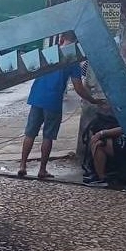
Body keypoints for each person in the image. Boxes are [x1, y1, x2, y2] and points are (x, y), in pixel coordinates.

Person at [18, 31, 105, 179]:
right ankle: (42, 170)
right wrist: (93, 100)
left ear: (61, 39)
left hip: (37, 97)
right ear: (75, 42)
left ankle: (23, 165)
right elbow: (78, 87)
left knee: (30, 133)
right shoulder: (72, 60)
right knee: (48, 136)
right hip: (53, 101)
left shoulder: (47, 53)